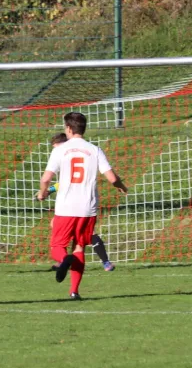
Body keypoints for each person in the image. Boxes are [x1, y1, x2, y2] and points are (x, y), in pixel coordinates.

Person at [37, 113, 127, 300]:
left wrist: (42, 192)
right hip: (88, 208)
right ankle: (74, 291)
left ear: (68, 128)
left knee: (57, 246)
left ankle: (64, 261)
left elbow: (46, 178)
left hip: (66, 207)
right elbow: (111, 178)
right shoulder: (94, 150)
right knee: (79, 247)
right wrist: (122, 187)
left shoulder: (60, 150)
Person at [46, 132, 115, 273]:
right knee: (59, 227)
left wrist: (48, 190)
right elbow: (64, 182)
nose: (55, 150)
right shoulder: (72, 154)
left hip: (76, 202)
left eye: (56, 147)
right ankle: (64, 261)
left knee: (84, 237)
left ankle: (104, 261)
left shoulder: (69, 153)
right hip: (81, 204)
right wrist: (51, 189)